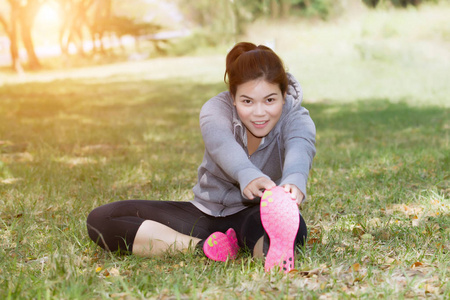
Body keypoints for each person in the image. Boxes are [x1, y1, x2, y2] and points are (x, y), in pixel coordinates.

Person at [87, 42, 316, 273]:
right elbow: (222, 145)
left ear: (284, 94)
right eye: (247, 101)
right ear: (233, 97)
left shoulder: (296, 118)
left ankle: (270, 255)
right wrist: (248, 175)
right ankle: (203, 247)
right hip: (203, 214)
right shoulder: (215, 110)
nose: (259, 112)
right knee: (102, 218)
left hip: (254, 214)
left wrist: (294, 180)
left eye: (270, 100)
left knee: (292, 228)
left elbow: (301, 146)